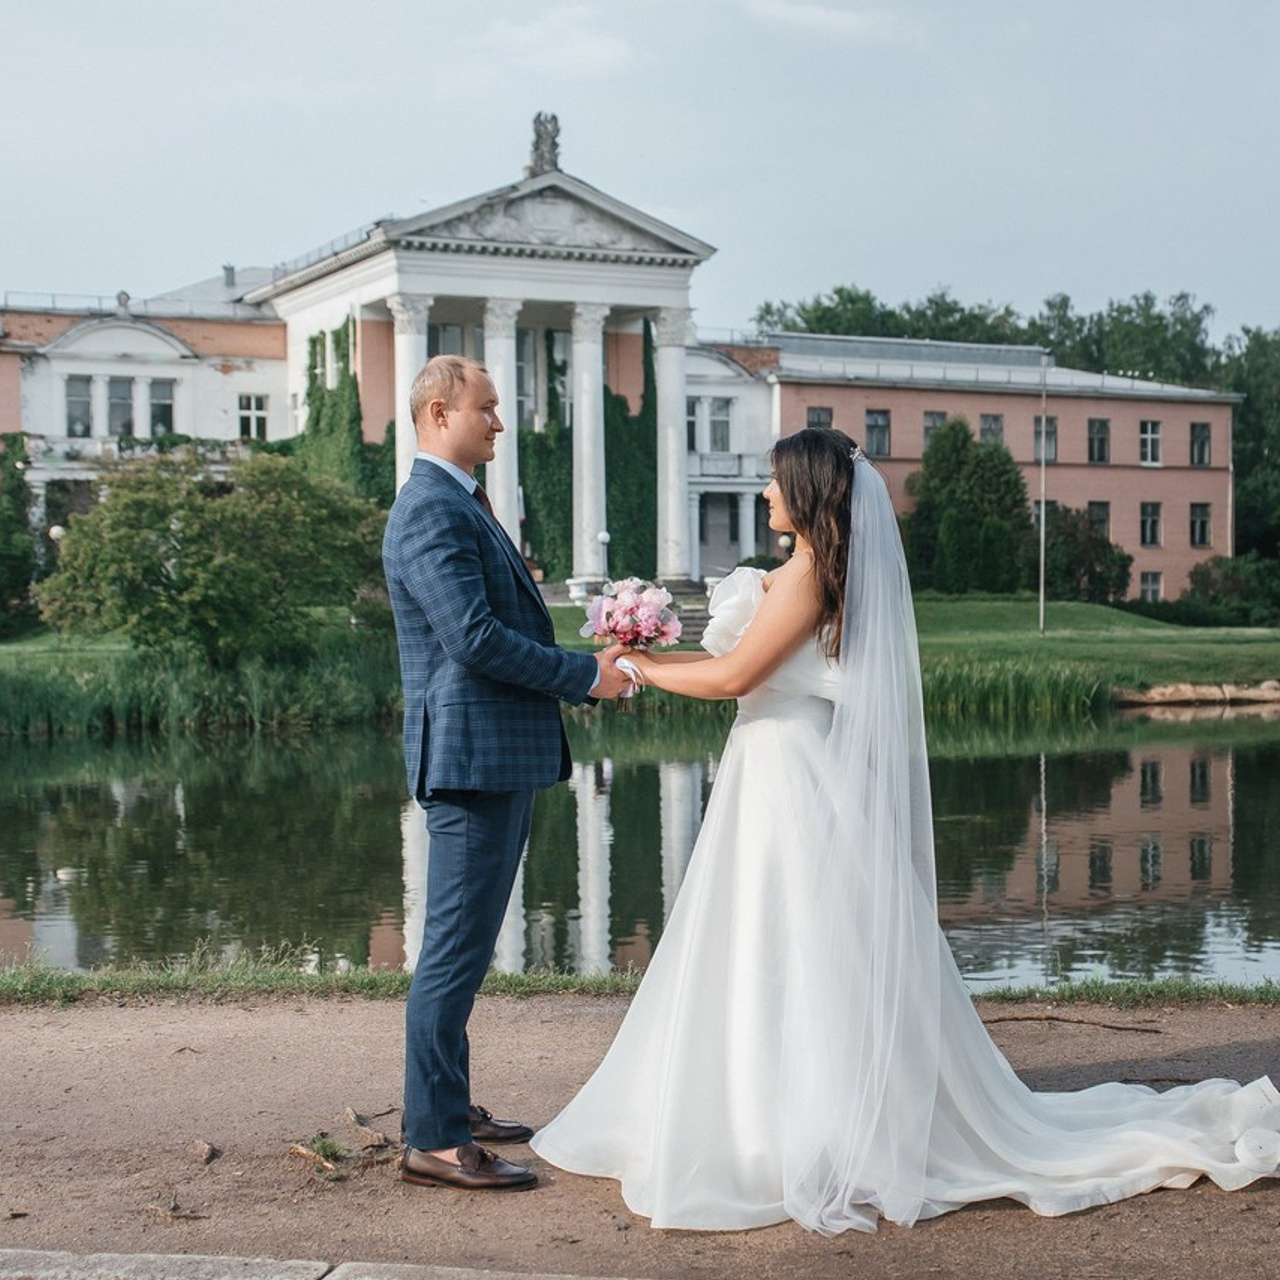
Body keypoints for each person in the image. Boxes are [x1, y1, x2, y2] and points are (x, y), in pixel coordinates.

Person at [531, 426, 1280, 1233]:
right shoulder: (802, 574)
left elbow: (739, 676)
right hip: (771, 767)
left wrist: (634, 670)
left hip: (789, 777)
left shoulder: (811, 576)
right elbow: (745, 673)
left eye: (776, 482)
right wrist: (627, 658)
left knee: (795, 943)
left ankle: (793, 1127)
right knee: (766, 942)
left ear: (810, 492)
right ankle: (766, 1111)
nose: (764, 493)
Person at [383, 354, 632, 1192]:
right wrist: (583, 675)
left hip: (494, 754)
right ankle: (436, 1139)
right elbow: (476, 641)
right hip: (471, 759)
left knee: (467, 946)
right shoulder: (427, 509)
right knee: (453, 951)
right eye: (486, 409)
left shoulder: (460, 501)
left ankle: (447, 1105)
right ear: (438, 412)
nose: (498, 422)